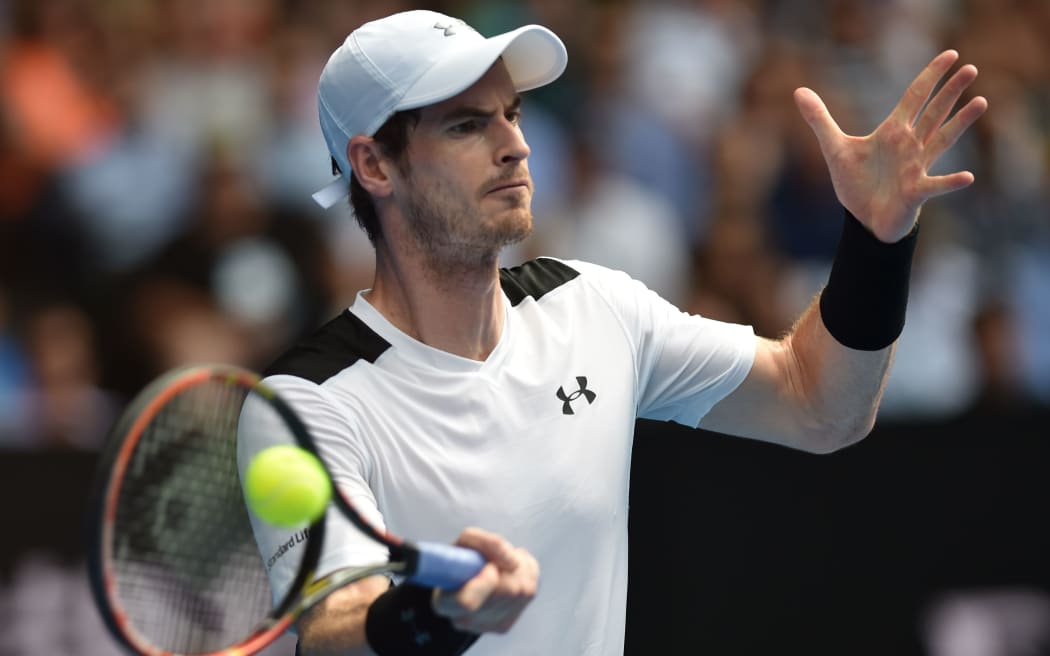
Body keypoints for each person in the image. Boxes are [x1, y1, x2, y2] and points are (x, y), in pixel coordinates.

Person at [238, 9, 987, 656]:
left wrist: (876, 244)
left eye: (513, 114)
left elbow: (822, 404)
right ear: (374, 164)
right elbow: (334, 620)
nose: (516, 146)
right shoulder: (307, 403)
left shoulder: (593, 307)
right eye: (468, 125)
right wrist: (433, 613)